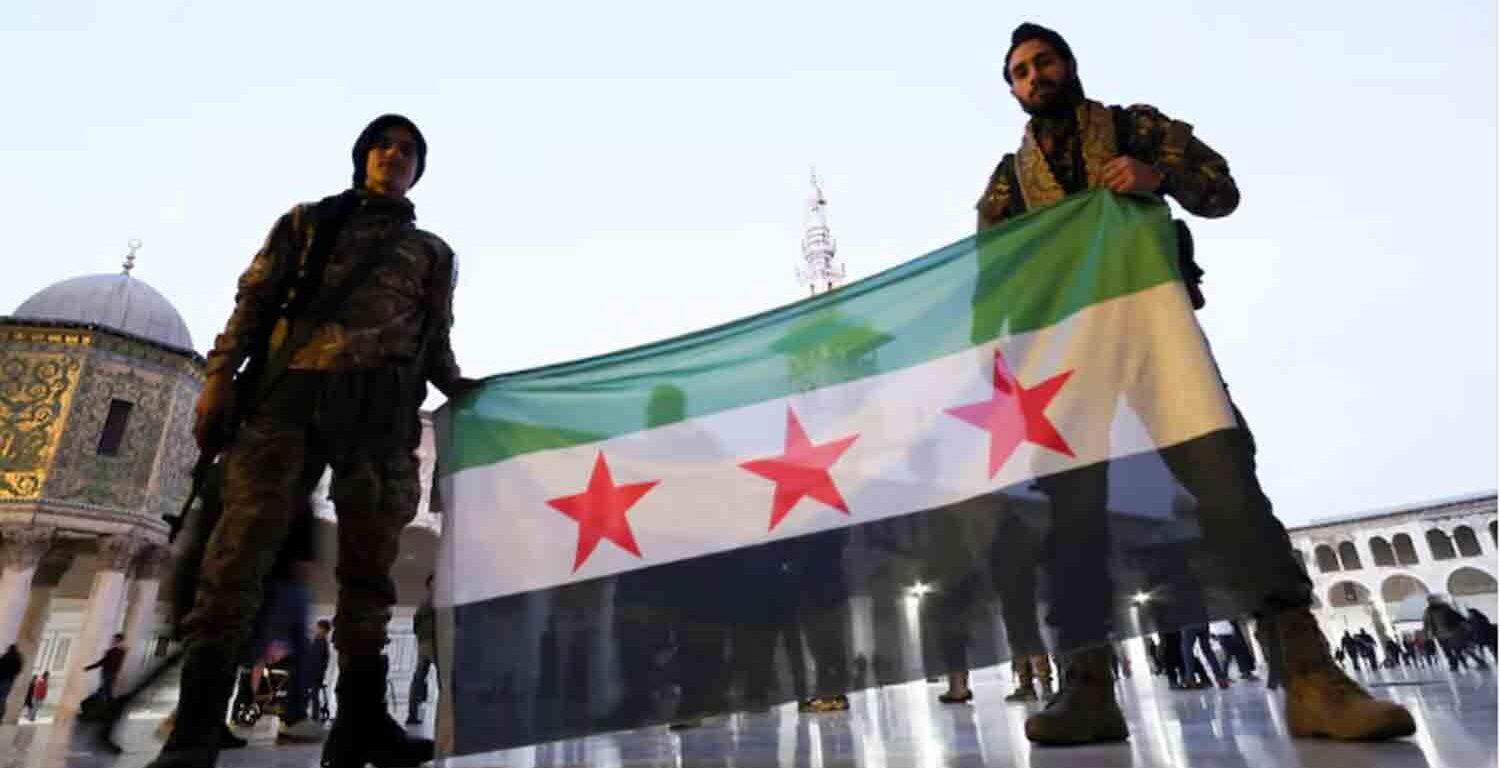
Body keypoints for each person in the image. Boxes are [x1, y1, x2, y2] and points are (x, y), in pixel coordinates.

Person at [973, 22, 1414, 745]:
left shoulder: (1133, 128)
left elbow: (1221, 191)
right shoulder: (1008, 179)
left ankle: (1309, 676)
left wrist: (1156, 178)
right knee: (1069, 517)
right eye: (1019, 72)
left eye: (1042, 62)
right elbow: (992, 271)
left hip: (1155, 327)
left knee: (1226, 484)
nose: (1033, 77)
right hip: (1066, 351)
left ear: (1069, 63)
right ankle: (1086, 687)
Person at [146, 113, 475, 768]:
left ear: (417, 169)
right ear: (363, 157)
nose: (394, 155)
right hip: (290, 396)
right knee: (236, 557)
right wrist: (218, 379)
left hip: (380, 411)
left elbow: (433, 343)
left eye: (408, 150)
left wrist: (466, 389)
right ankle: (196, 728)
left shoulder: (432, 254)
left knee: (368, 567)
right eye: (384, 144)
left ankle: (358, 723)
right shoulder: (309, 222)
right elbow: (254, 304)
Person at [1423, 596, 1488, 671]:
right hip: (1441, 635)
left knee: (1461, 648)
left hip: (1452, 632)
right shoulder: (1429, 611)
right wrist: (1428, 633)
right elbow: (1427, 623)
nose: (1431, 601)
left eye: (1432, 600)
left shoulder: (1444, 608)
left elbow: (1456, 616)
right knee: (1449, 651)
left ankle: (1479, 661)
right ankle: (1454, 665)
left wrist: (1465, 622)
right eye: (1430, 600)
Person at [407, 576, 436, 726]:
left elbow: (415, 624)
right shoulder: (436, 597)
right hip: (433, 642)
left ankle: (412, 714)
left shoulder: (423, 602)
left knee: (418, 679)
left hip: (424, 643)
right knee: (445, 678)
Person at [85, 635, 127, 702]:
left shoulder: (119, 652)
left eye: (115, 640)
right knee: (106, 690)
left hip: (110, 673)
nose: (113, 641)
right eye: (114, 640)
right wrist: (89, 667)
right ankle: (101, 700)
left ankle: (101, 700)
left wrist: (89, 667)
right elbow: (102, 662)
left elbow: (117, 663)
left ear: (120, 641)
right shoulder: (113, 651)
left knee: (106, 690)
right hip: (107, 673)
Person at [310, 619, 333, 720]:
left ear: (324, 630)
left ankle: (315, 716)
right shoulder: (316, 640)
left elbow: (324, 660)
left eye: (318, 628)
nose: (316, 629)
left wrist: (320, 672)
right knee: (311, 695)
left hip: (316, 674)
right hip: (312, 672)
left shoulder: (322, 643)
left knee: (314, 696)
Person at [0, 645, 20, 719]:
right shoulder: (18, 659)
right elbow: (17, 671)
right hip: (9, 681)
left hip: (2, 679)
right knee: (3, 698)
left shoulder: (5, 657)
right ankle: (1, 715)